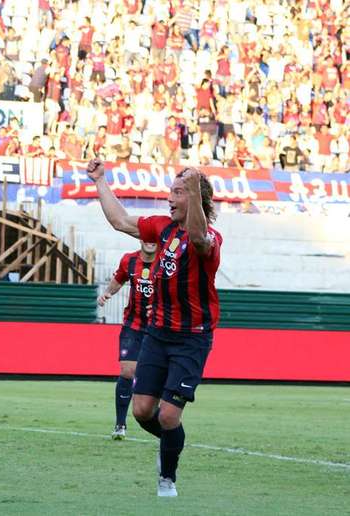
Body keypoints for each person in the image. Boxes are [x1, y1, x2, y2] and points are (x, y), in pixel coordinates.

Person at [86, 158, 222, 498]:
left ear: (196, 198)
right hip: (157, 334)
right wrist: (100, 180)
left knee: (168, 416)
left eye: (178, 192)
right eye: (171, 192)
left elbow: (198, 236)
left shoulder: (209, 238)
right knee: (143, 411)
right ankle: (174, 443)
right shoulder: (161, 227)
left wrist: (194, 189)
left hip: (191, 339)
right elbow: (120, 221)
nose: (170, 198)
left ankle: (167, 479)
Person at [97, 241, 157, 440]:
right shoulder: (129, 260)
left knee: (157, 376)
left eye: (153, 237)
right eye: (146, 237)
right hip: (134, 325)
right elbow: (119, 278)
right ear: (140, 239)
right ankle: (120, 424)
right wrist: (108, 293)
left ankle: (161, 420)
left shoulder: (168, 261)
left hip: (161, 327)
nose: (150, 241)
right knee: (127, 371)